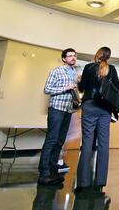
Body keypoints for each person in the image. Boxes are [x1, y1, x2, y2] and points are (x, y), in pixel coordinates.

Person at [75, 47, 119, 195]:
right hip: (105, 110)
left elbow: (82, 89)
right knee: (103, 144)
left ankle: (83, 183)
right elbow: (116, 91)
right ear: (108, 57)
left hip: (89, 107)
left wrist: (81, 81)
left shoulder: (89, 67)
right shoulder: (112, 69)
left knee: (87, 143)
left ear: (97, 55)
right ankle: (101, 182)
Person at [38, 48, 80, 186]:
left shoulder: (74, 73)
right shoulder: (56, 71)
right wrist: (65, 88)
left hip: (68, 110)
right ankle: (44, 173)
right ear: (64, 59)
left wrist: (75, 99)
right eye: (70, 56)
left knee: (60, 140)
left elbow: (72, 90)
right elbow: (47, 89)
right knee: (52, 139)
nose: (73, 58)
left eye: (74, 56)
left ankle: (52, 170)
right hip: (56, 109)